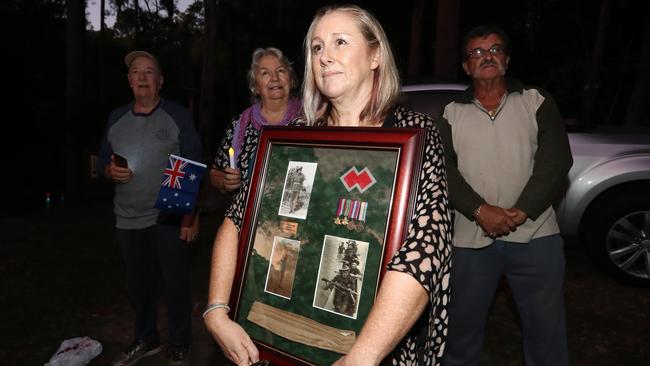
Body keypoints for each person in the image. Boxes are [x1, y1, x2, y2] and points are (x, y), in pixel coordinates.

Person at [203, 5, 452, 366]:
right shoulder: (293, 139)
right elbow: (239, 218)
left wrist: (361, 357)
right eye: (317, 47)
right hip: (283, 334)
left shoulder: (414, 134)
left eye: (340, 42)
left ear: (375, 55)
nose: (325, 57)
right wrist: (215, 309)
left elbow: (426, 248)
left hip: (375, 345)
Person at [438, 26, 572, 366]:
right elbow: (443, 169)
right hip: (469, 240)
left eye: (495, 50)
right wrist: (480, 210)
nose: (487, 56)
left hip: (536, 237)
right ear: (466, 67)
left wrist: (523, 211)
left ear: (507, 60)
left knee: (547, 333)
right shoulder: (450, 112)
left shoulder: (535, 100)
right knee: (460, 334)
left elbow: (556, 162)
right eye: (477, 52)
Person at [98, 50, 201, 366]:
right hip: (127, 216)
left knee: (175, 283)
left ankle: (180, 341)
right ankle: (146, 338)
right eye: (136, 72)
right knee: (138, 285)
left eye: (149, 72)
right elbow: (103, 159)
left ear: (160, 81)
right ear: (129, 81)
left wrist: (189, 217)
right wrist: (108, 171)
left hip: (167, 213)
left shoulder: (177, 116)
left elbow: (192, 163)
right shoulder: (116, 118)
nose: (142, 77)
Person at [209, 47, 301, 195]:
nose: (275, 78)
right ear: (255, 86)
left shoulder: (311, 119)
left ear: (290, 79)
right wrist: (226, 181)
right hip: (247, 213)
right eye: (265, 73)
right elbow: (215, 173)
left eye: (281, 70)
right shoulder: (239, 124)